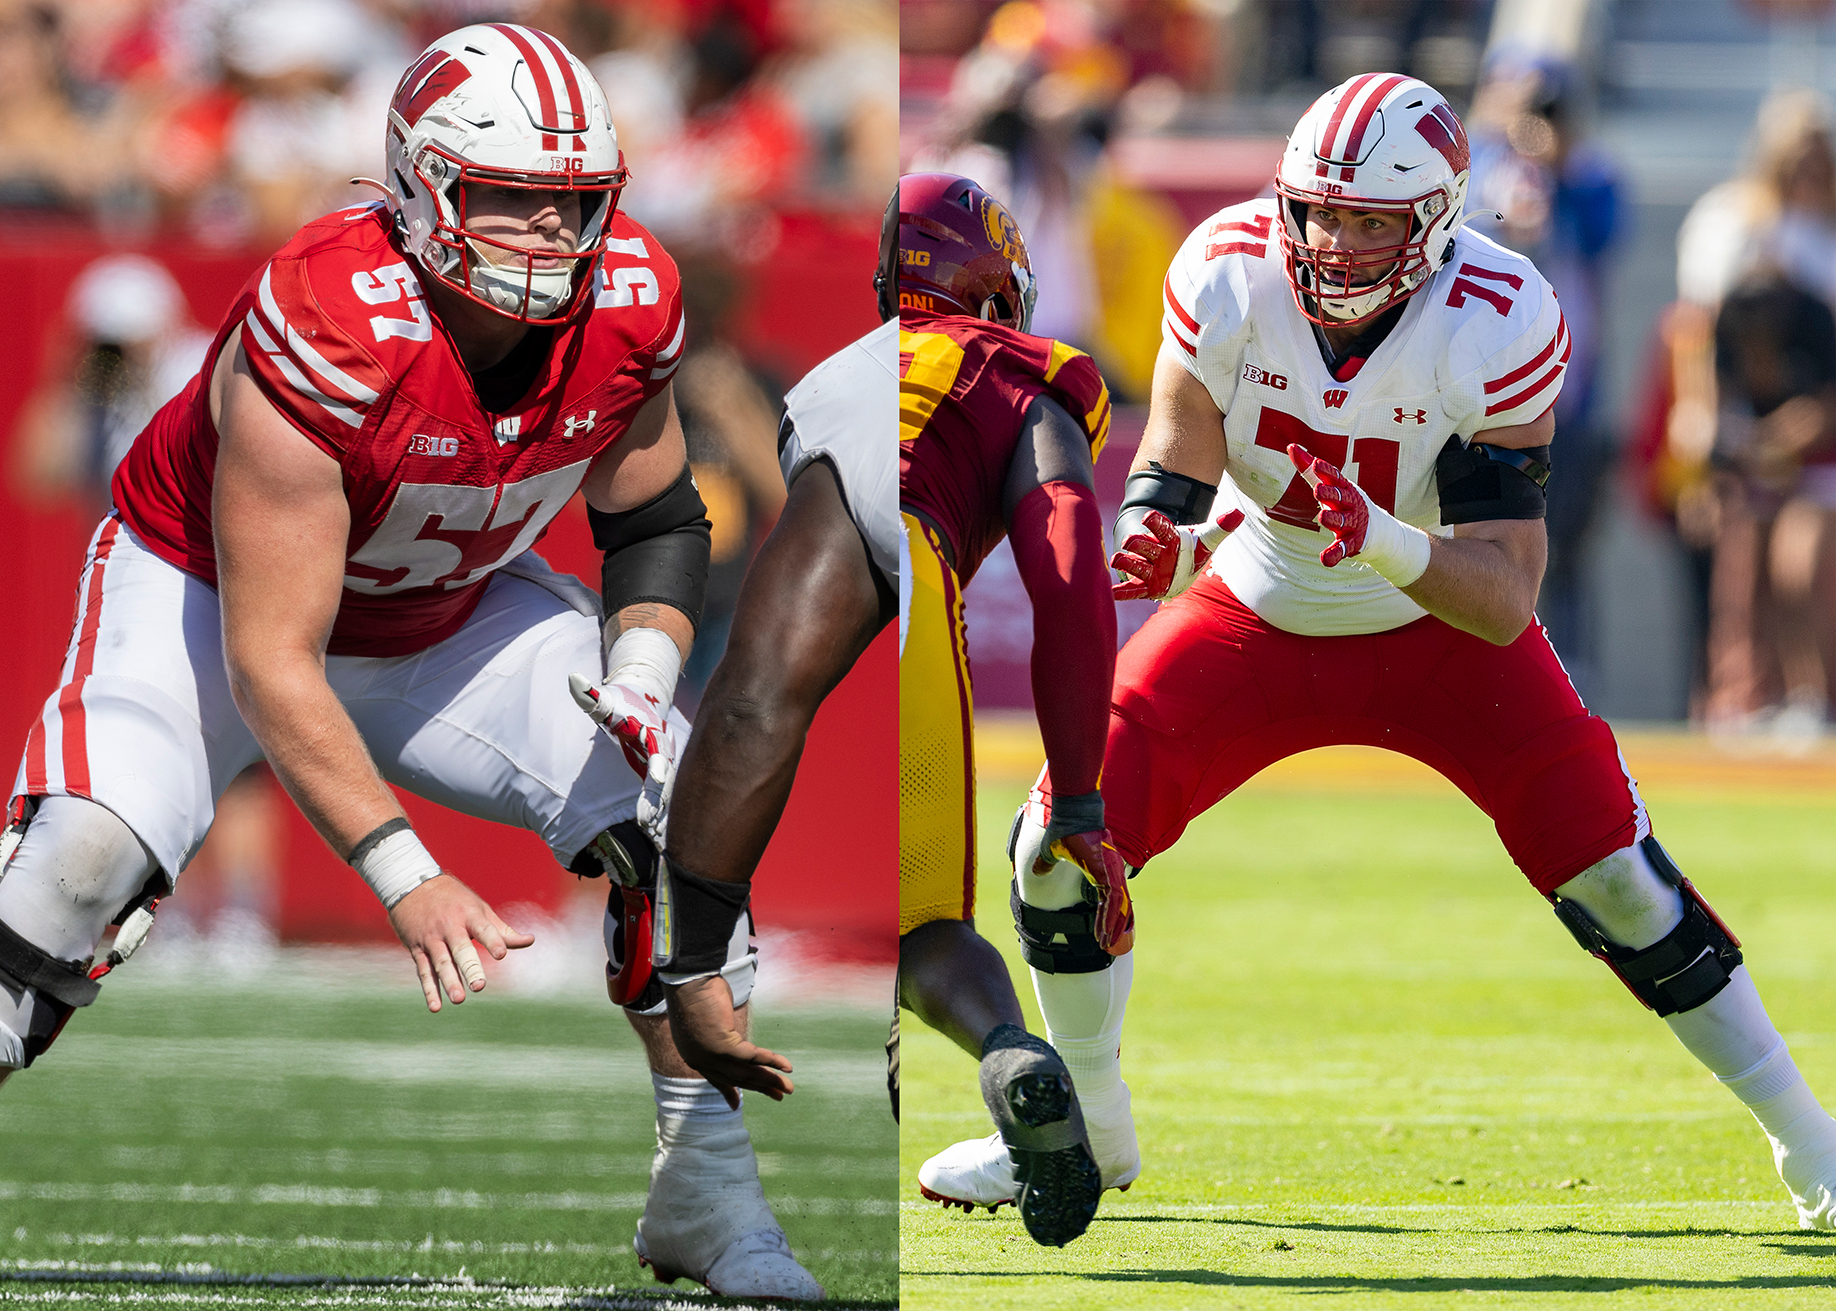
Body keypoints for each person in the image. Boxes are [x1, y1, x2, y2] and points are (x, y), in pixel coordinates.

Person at [920, 72, 1836, 1231]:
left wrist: (1380, 535)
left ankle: (1812, 1145)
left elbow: (1503, 597)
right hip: (1257, 607)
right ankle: (1092, 1131)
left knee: (1615, 871)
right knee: (1056, 841)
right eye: (1318, 210)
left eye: (1369, 219)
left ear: (1437, 221)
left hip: (1435, 627)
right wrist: (1162, 526)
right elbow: (1180, 448)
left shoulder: (1500, 314)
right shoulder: (1227, 268)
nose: (1334, 242)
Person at [0, 24, 822, 1301]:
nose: (552, 239)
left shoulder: (633, 298)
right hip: (205, 598)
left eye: (573, 206)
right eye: (511, 199)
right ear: (423, 184)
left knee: (678, 818)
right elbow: (275, 658)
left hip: (444, 613)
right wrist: (407, 876)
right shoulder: (333, 314)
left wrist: (647, 682)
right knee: (73, 867)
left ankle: (706, 1194)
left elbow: (656, 518)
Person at [895, 171, 1129, 1248]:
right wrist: (1077, 798)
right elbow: (1071, 571)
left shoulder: (840, 371)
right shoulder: (1012, 370)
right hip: (896, 563)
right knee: (927, 931)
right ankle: (1008, 1048)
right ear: (992, 292)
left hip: (780, 588)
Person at [611, 261, 897, 1113]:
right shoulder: (647, 387)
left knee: (721, 768)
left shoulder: (769, 383)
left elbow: (788, 495)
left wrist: (733, 403)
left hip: (738, 601)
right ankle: (618, 922)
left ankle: (712, 936)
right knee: (624, 755)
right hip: (666, 592)